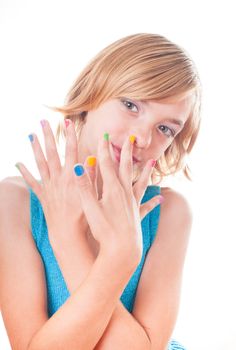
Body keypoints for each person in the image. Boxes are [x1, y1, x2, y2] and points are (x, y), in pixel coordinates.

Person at [0, 33, 202, 349]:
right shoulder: (13, 202)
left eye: (165, 129)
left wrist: (74, 242)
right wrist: (116, 258)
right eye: (131, 105)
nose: (142, 138)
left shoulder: (169, 212)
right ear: (93, 92)